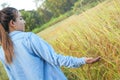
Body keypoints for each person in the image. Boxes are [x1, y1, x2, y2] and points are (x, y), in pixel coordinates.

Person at [0, 7, 100, 80]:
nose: (24, 22)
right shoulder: (28, 38)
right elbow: (55, 59)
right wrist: (82, 61)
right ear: (12, 23)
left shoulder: (2, 51)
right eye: (21, 18)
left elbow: (12, 77)